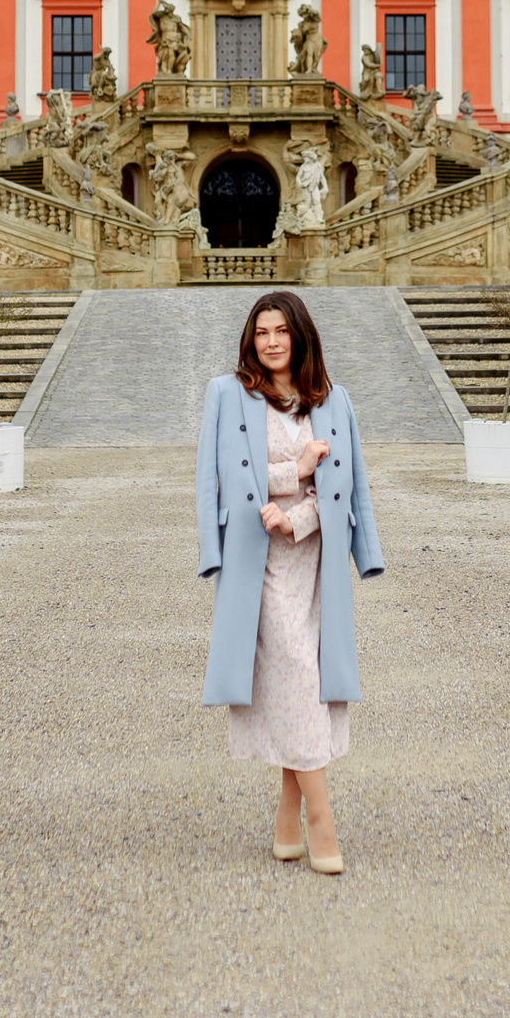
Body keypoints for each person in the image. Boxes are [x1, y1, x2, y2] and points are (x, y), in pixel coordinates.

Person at [195, 291, 385, 875]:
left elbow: (348, 485)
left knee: (302, 682)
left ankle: (285, 818)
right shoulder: (228, 395)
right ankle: (322, 820)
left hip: (316, 559)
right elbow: (218, 479)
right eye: (261, 333)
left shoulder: (334, 400)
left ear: (300, 335)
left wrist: (304, 518)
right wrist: (292, 471)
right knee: (302, 678)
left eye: (281, 331)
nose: (271, 341)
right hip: (262, 563)